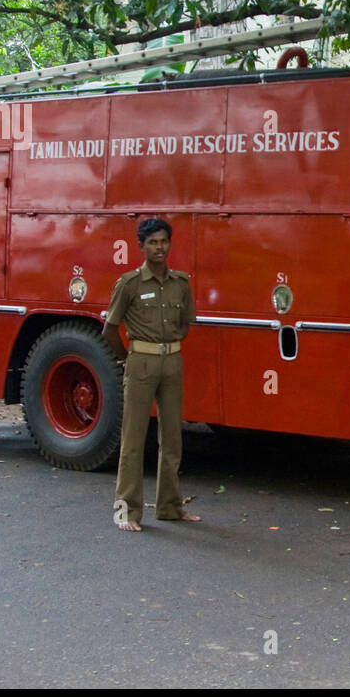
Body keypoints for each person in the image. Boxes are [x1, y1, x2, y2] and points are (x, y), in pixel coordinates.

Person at [102, 218, 199, 531]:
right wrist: (126, 358)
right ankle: (125, 512)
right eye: (153, 242)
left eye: (164, 241)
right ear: (141, 247)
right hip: (140, 361)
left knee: (172, 438)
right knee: (133, 439)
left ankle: (170, 506)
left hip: (172, 362)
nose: (159, 247)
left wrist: (173, 340)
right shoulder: (129, 284)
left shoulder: (180, 283)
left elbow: (186, 323)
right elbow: (109, 329)